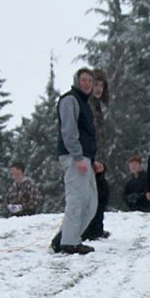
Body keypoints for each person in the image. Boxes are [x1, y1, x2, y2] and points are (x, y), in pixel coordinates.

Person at [51, 67, 99, 255]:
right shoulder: (70, 100)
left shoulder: (85, 104)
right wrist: (78, 156)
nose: (87, 84)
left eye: (90, 81)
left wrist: (92, 160)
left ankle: (66, 237)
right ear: (77, 81)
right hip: (74, 157)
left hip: (84, 158)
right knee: (77, 200)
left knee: (91, 202)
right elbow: (69, 131)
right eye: (84, 80)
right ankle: (69, 243)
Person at [82, 69, 110, 240]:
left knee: (101, 193)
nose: (98, 89)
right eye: (96, 85)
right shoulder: (88, 105)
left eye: (101, 85)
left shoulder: (98, 106)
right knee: (96, 194)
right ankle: (91, 229)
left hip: (99, 156)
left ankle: (96, 228)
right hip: (92, 157)